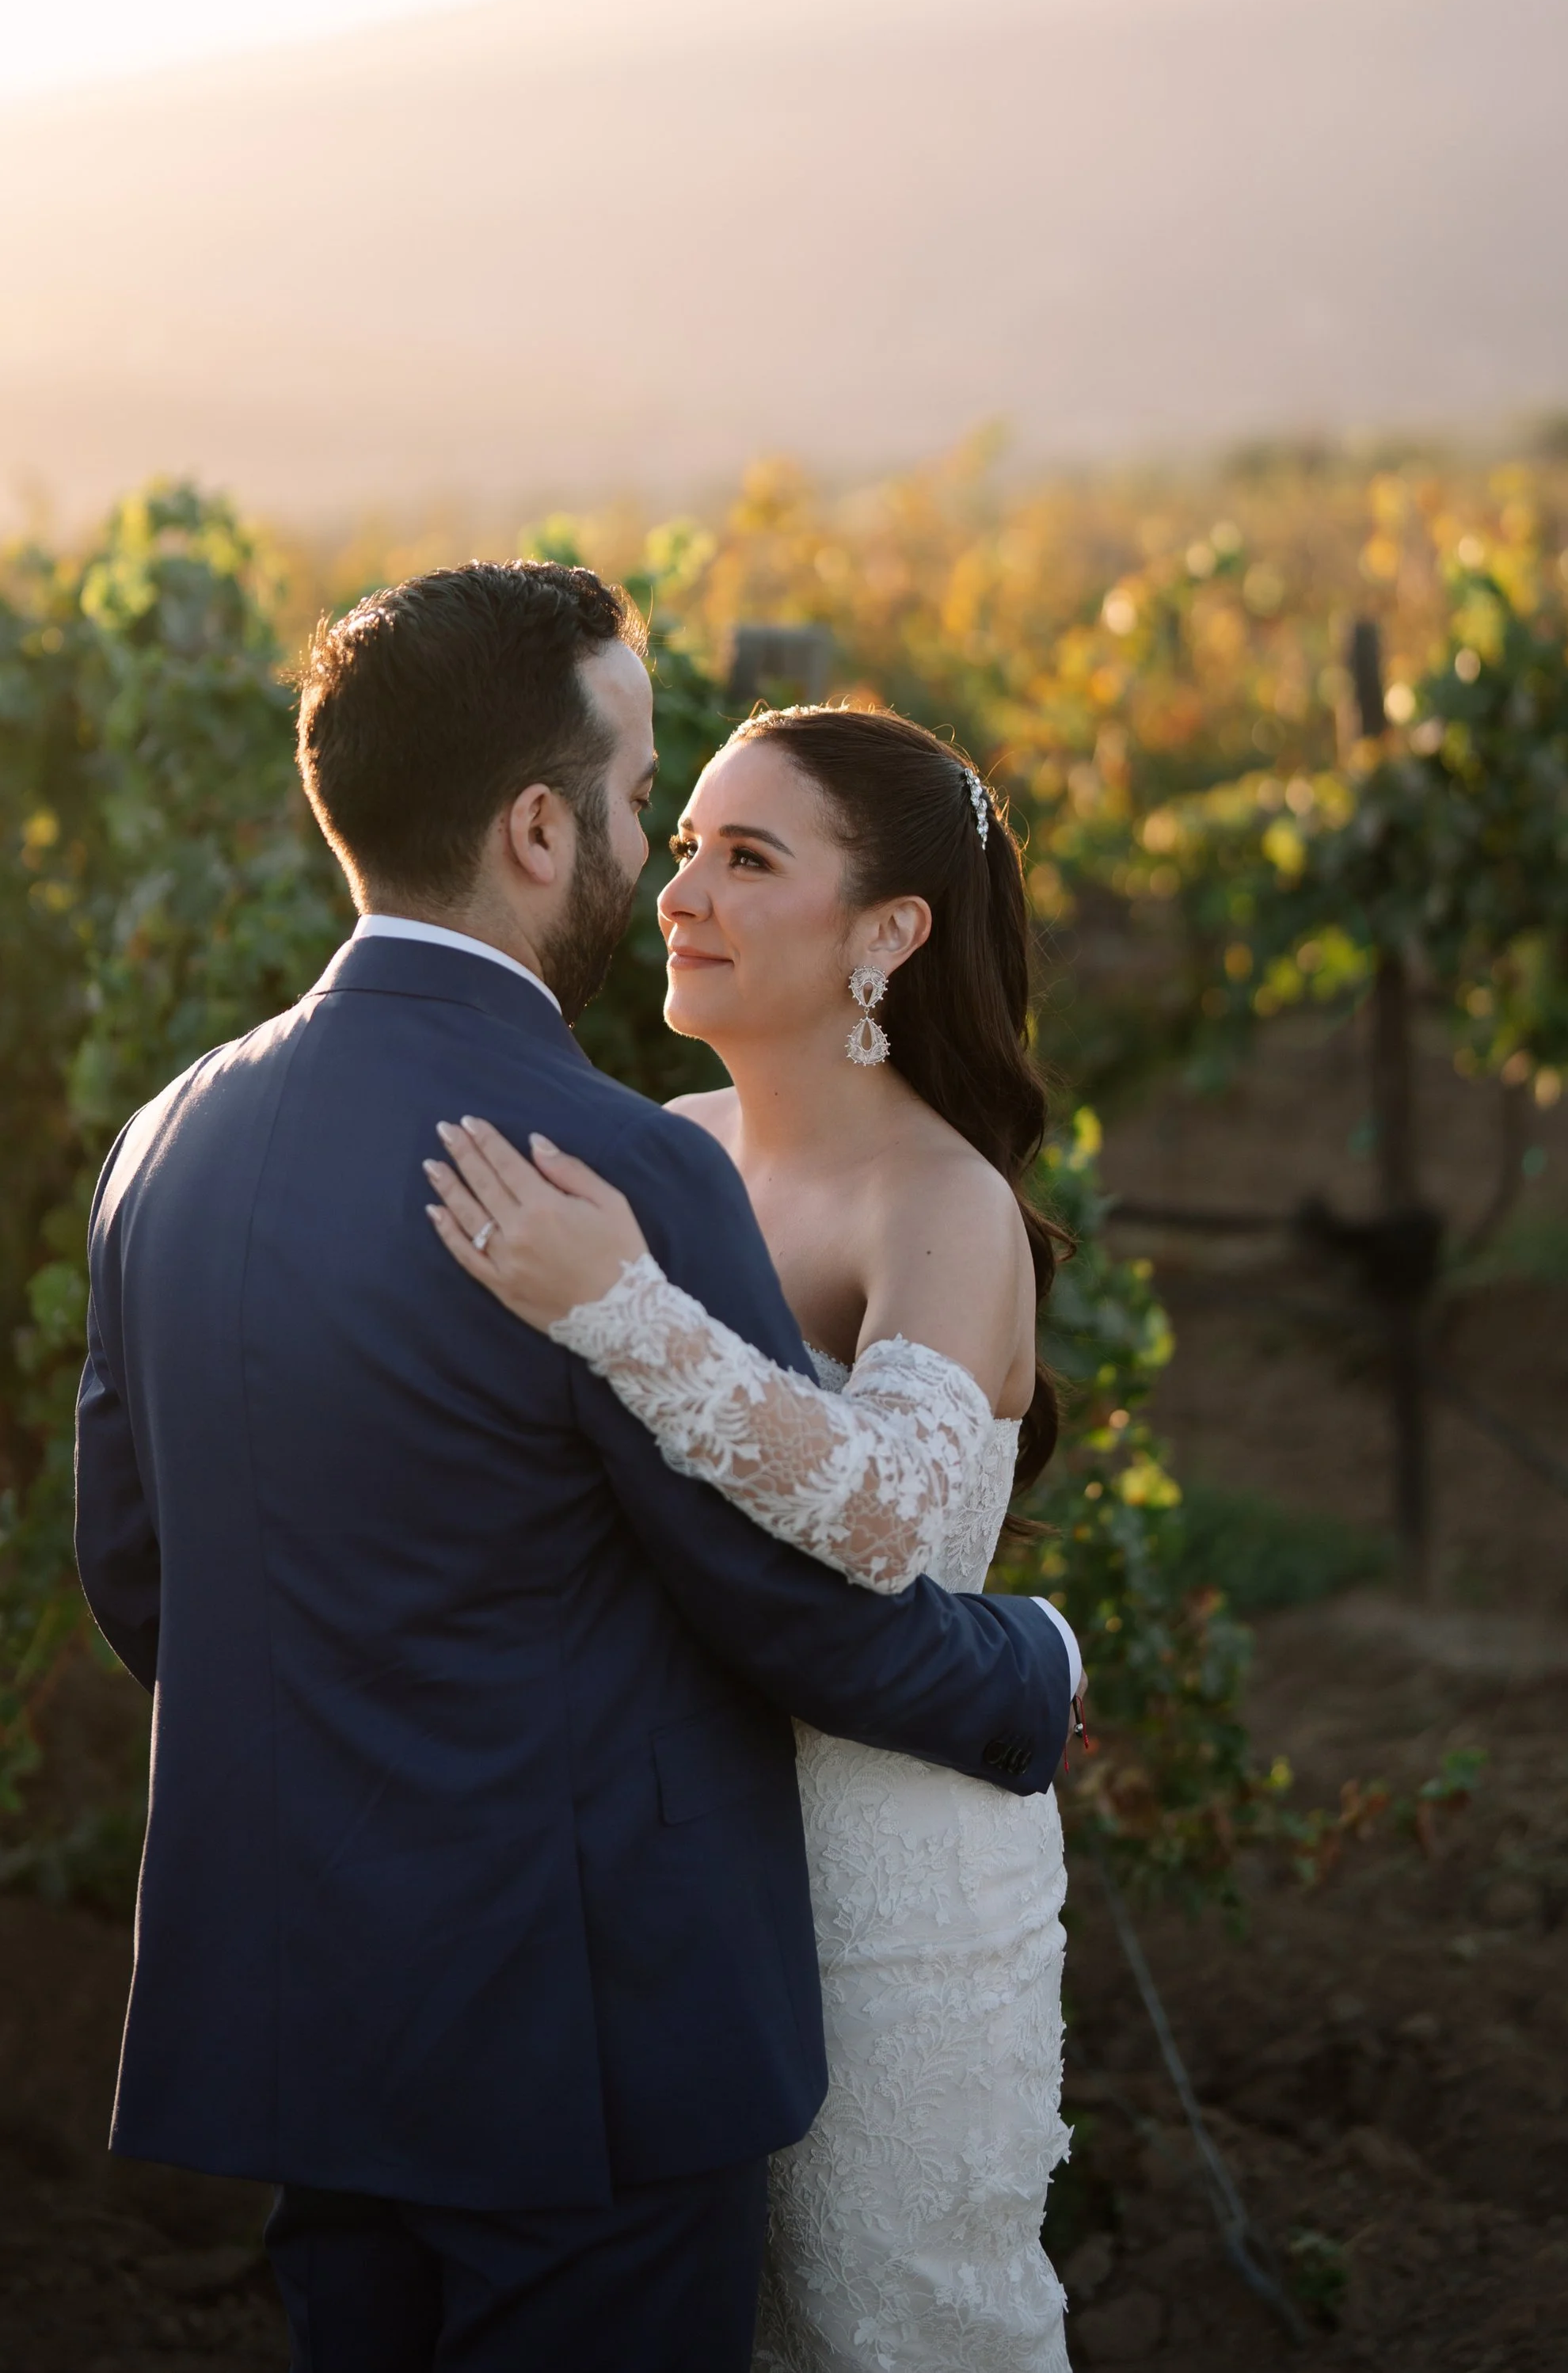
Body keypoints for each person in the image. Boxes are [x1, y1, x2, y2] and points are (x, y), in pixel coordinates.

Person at [72, 562, 1078, 2373]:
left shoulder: (167, 1138)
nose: (661, 865)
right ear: (538, 829)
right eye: (638, 805)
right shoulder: (627, 1172)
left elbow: (141, 1575)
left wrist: (371, 1807)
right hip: (585, 2031)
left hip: (314, 2008)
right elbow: (792, 1612)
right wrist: (1038, 1671)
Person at [428, 702, 1079, 2372]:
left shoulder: (944, 1207)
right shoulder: (668, 1153)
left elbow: (889, 1518)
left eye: (749, 858)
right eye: (689, 841)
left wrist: (623, 1313)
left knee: (888, 2321)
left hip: (888, 1874)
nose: (681, 889)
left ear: (889, 935)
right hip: (683, 1861)